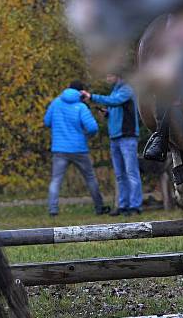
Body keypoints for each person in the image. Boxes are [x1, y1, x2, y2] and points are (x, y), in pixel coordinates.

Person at [44, 80, 110, 216]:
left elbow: (47, 121)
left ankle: (53, 210)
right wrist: (85, 136)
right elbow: (92, 127)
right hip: (79, 149)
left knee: (56, 180)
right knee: (90, 178)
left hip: (59, 149)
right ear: (81, 92)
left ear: (68, 88)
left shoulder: (56, 103)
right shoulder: (81, 107)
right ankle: (99, 207)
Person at [81, 75, 143, 216]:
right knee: (120, 174)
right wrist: (108, 113)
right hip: (115, 137)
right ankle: (123, 205)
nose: (107, 77)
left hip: (127, 136)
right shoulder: (115, 90)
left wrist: (92, 97)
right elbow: (115, 106)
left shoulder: (127, 89)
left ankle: (135, 206)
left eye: (110, 75)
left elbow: (115, 101)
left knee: (131, 172)